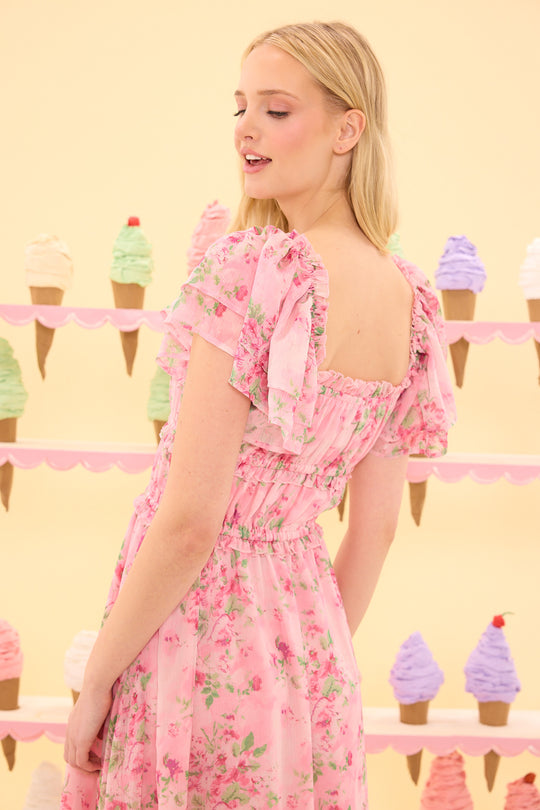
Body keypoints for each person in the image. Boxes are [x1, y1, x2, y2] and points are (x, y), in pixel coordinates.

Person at [62, 20, 455, 809]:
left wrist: (97, 677)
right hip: (313, 657)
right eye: (240, 106)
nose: (246, 128)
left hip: (191, 637)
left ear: (349, 128)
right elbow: (373, 528)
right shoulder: (407, 299)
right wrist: (304, 658)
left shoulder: (254, 270)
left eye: (277, 110)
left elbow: (190, 525)